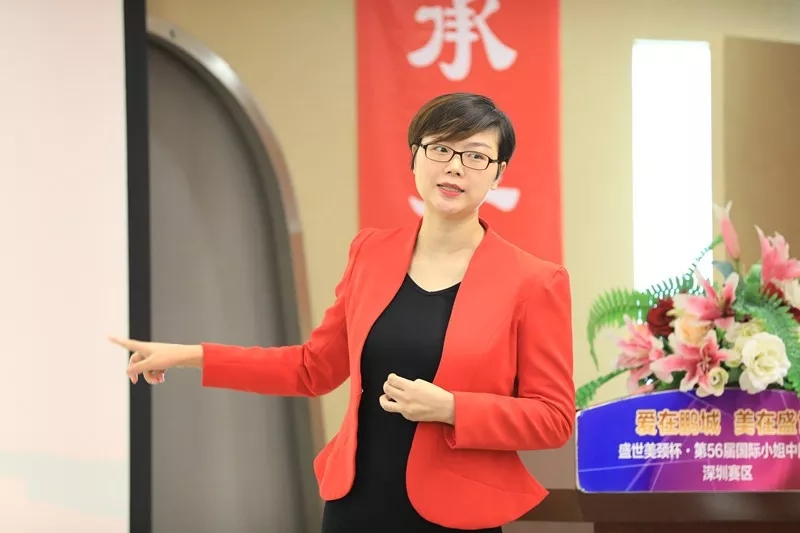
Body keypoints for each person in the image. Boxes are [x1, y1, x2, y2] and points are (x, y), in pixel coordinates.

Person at [112, 92, 575, 532]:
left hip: (457, 513)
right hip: (356, 501)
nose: (454, 166)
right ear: (415, 157)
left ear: (498, 174)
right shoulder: (371, 253)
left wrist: (453, 408)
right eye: (440, 149)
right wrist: (193, 355)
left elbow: (553, 418)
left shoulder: (535, 281)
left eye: (475, 156)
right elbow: (311, 369)